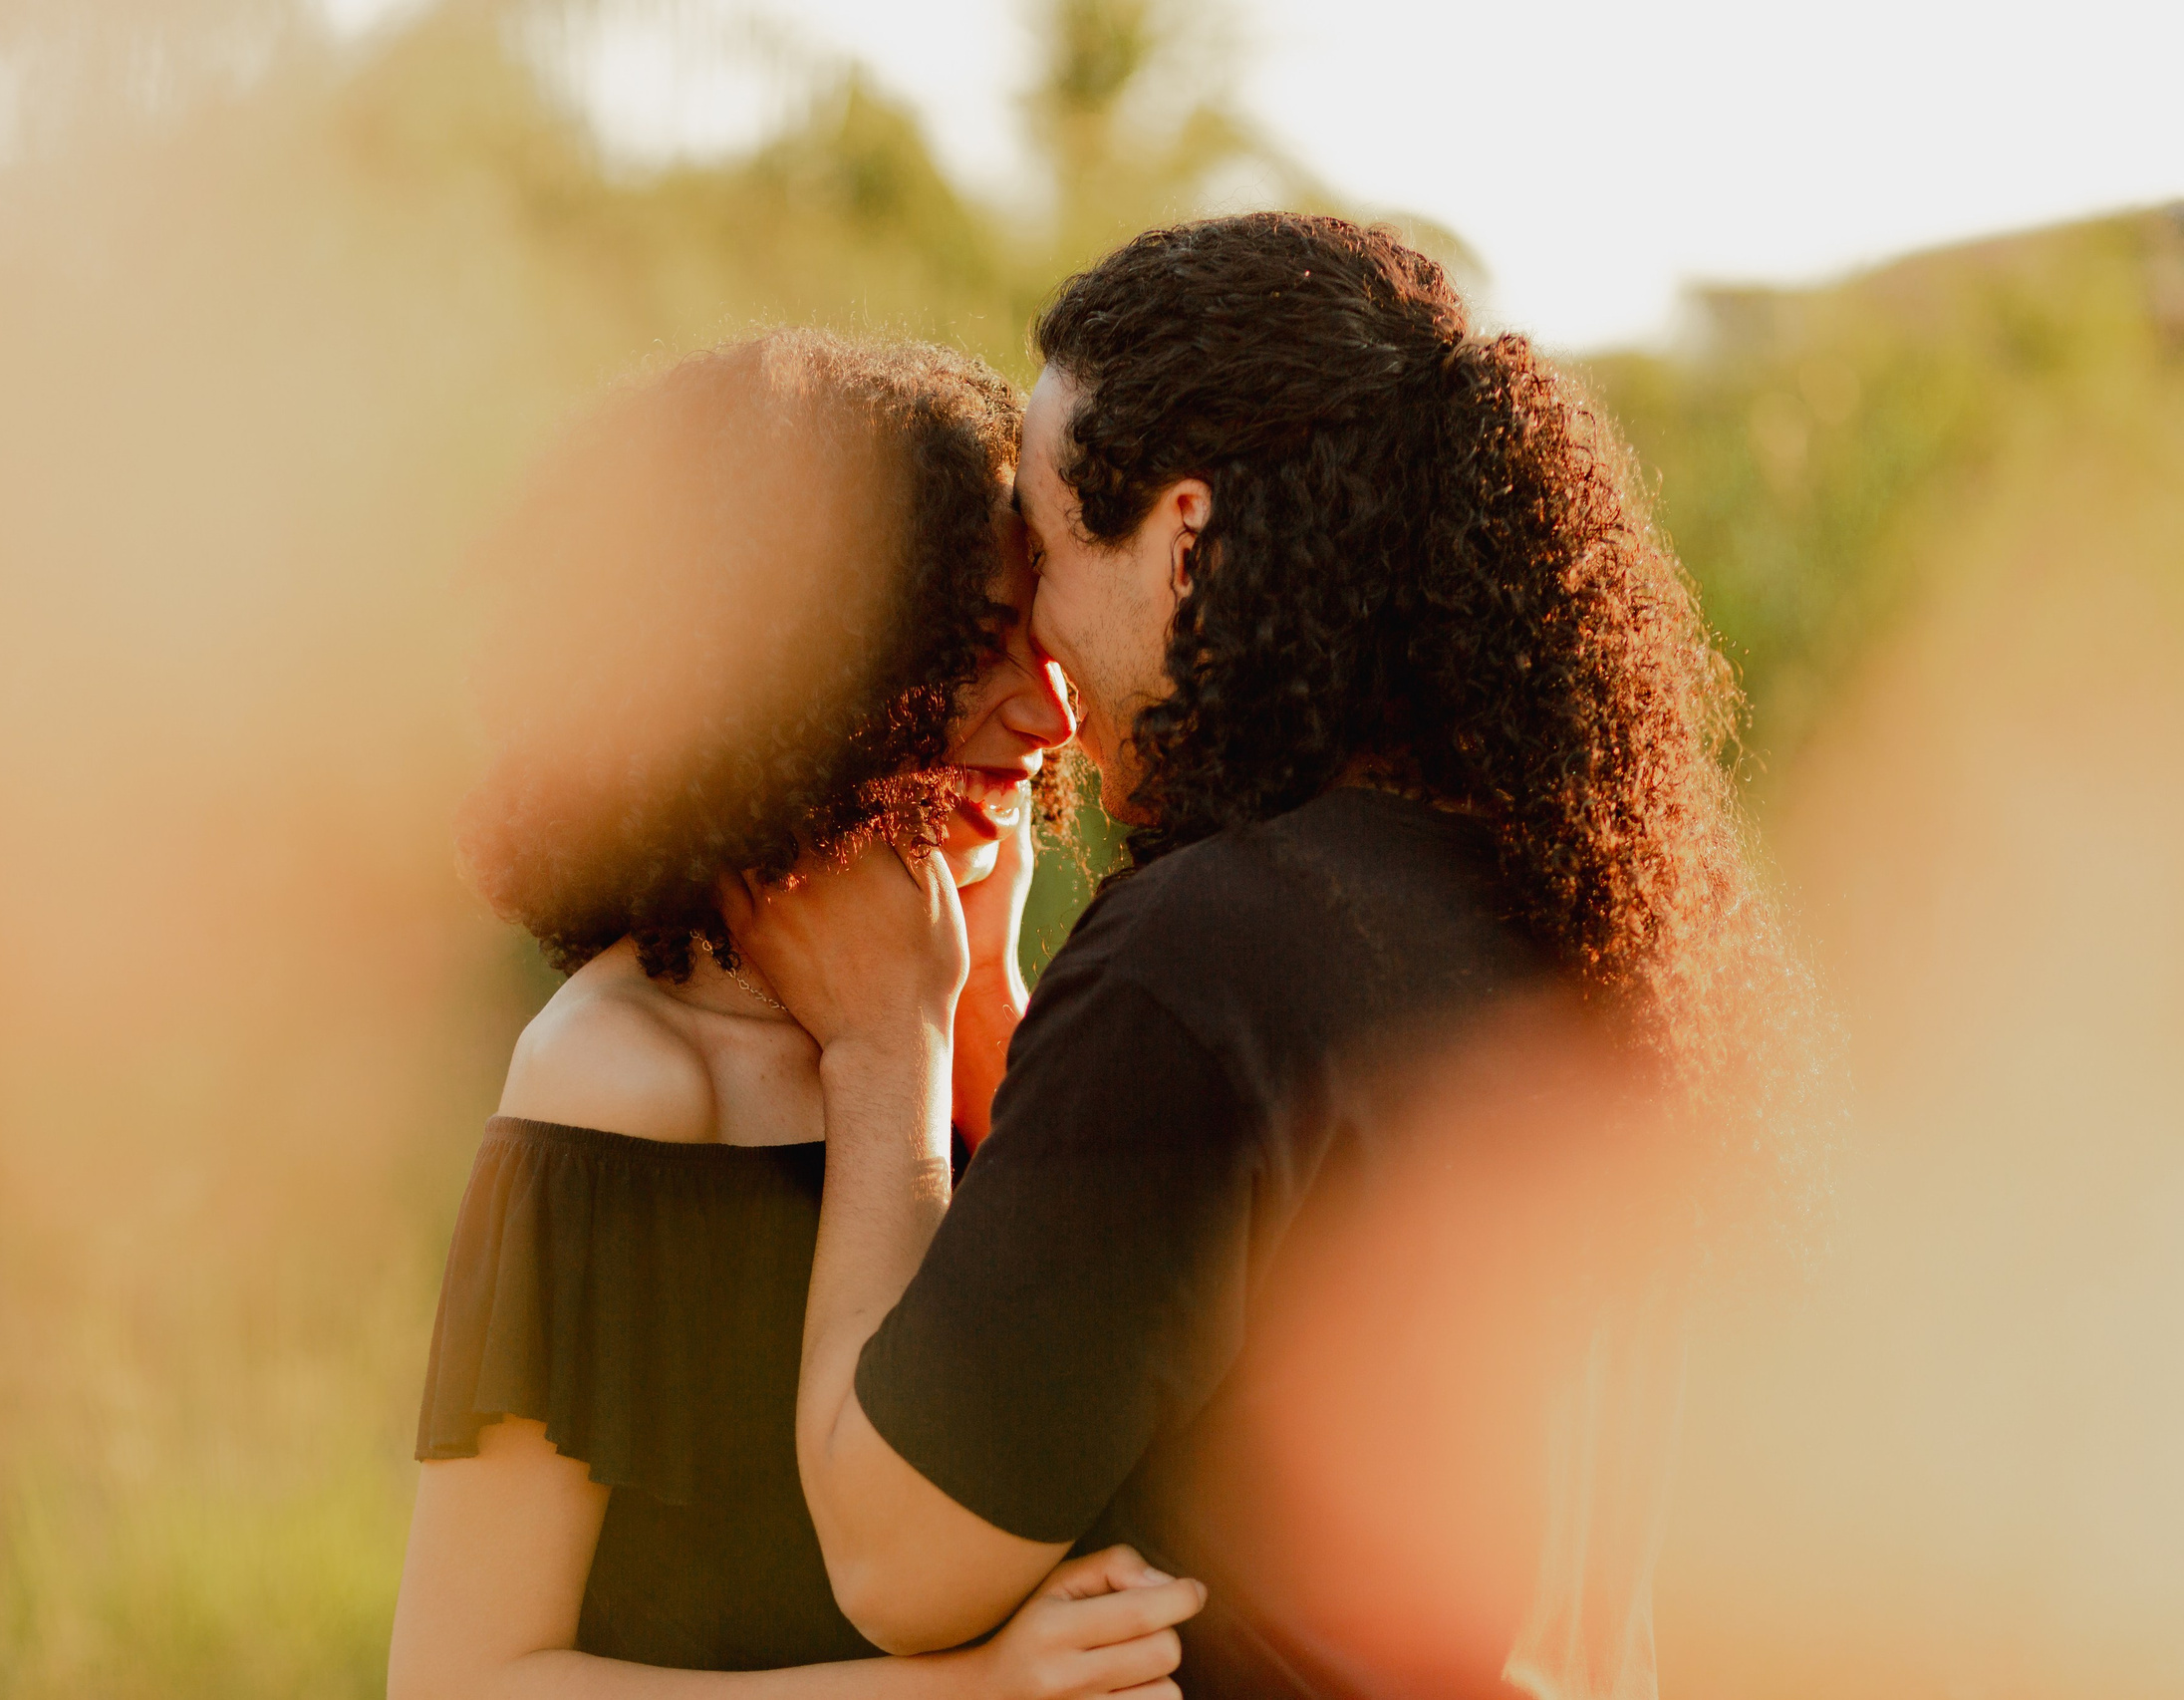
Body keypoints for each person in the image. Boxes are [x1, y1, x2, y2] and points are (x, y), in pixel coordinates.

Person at [721, 215, 1815, 1698]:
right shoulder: (1591, 924)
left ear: (1186, 533)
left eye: (1044, 549)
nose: (1033, 644)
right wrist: (989, 998)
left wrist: (885, 1043)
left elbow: (894, 1551)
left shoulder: (1209, 957)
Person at [388, 331, 1208, 1700]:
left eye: (1039, 630)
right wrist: (976, 1691)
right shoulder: (620, 1075)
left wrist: (972, 1002)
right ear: (801, 673)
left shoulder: (963, 994)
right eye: (974, 652)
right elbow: (463, 1680)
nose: (1050, 713)